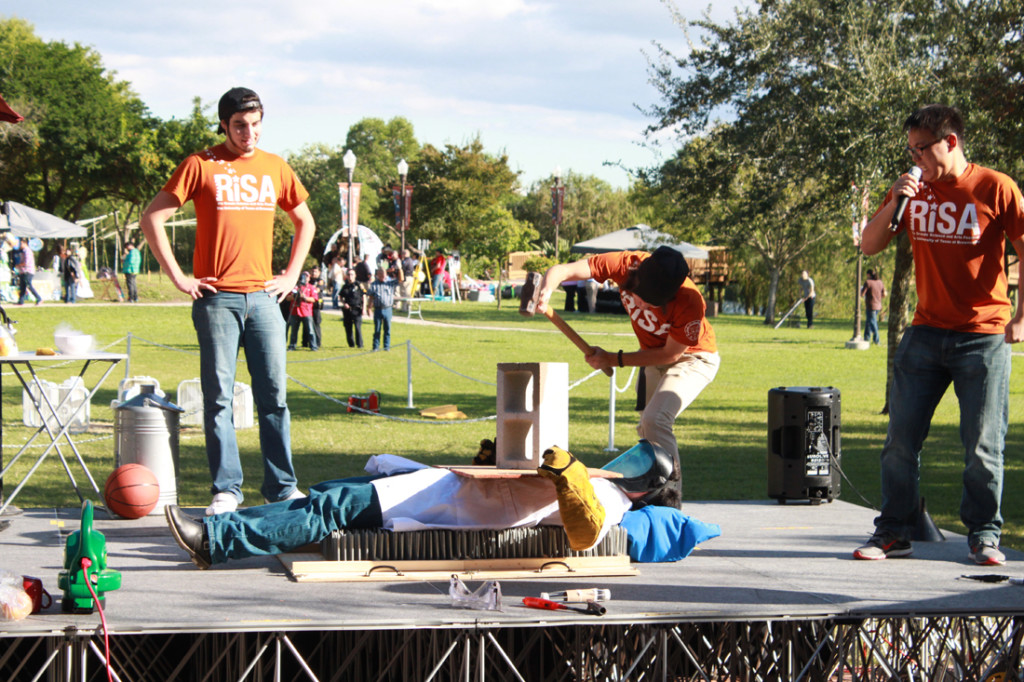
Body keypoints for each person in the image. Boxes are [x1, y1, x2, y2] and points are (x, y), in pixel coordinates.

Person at [854, 104, 1024, 566]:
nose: (917, 158)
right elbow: (869, 244)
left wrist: (1021, 316)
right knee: (899, 441)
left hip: (982, 335)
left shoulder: (995, 186)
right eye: (911, 150)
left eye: (922, 149)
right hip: (925, 332)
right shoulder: (912, 190)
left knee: (982, 446)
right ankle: (894, 530)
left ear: (950, 142)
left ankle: (984, 535)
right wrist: (894, 200)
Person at [140, 86, 316, 516]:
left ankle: (282, 487)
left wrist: (291, 276)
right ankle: (226, 491)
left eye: (255, 124)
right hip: (217, 300)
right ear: (224, 124)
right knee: (218, 397)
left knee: (273, 396)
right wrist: (180, 278)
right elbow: (152, 217)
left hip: (263, 300)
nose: (248, 133)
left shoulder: (276, 167)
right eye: (239, 125)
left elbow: (304, 221)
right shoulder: (200, 164)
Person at [162, 445, 717, 569]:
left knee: (322, 512)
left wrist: (572, 480)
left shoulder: (611, 500)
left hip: (439, 509)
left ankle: (214, 541)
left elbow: (585, 534)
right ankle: (218, 530)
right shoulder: (597, 480)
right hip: (437, 490)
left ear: (645, 486)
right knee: (323, 502)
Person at [537, 246, 720, 506]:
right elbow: (564, 271)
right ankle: (647, 499)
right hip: (652, 355)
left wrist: (613, 359)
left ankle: (671, 505)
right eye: (640, 295)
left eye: (655, 302)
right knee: (647, 432)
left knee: (656, 420)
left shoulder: (691, 301)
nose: (643, 304)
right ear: (635, 275)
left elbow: (670, 355)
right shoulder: (623, 263)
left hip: (693, 357)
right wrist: (545, 291)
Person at [369, 266, 404, 351]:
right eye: (380, 274)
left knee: (387, 329)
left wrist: (399, 269)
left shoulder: (390, 283)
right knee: (377, 329)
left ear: (386, 274)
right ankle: (375, 346)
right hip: (378, 309)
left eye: (383, 274)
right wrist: (369, 308)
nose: (382, 276)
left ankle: (386, 346)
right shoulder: (374, 285)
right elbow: (371, 297)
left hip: (388, 309)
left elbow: (401, 279)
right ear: (377, 274)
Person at [287, 271, 318, 351]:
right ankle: (292, 346)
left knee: (310, 330)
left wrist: (304, 297)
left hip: (306, 312)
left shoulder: (311, 287)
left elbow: (314, 299)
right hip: (295, 311)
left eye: (306, 276)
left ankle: (313, 346)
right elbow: (288, 297)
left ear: (309, 278)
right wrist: (295, 296)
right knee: (294, 330)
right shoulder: (295, 287)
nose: (304, 278)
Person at [339, 268, 364, 348]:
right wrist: (344, 303)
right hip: (347, 310)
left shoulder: (359, 285)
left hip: (357, 309)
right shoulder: (345, 286)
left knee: (357, 328)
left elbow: (364, 296)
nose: (350, 276)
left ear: (355, 275)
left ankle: (360, 344)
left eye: (352, 274)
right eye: (349, 274)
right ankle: (351, 344)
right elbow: (340, 296)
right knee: (348, 328)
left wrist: (364, 308)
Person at [302, 265, 325, 349]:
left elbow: (317, 290)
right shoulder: (308, 280)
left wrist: (310, 289)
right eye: (312, 271)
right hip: (307, 304)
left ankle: (318, 342)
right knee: (306, 323)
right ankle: (305, 342)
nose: (313, 273)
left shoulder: (320, 281)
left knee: (316, 323)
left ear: (319, 272)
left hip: (316, 305)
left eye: (315, 271)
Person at [861, 269, 886, 345]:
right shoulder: (880, 282)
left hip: (871, 305)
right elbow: (884, 294)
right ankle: (866, 337)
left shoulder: (868, 282)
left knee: (872, 322)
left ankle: (877, 340)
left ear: (868, 275)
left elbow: (862, 294)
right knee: (869, 321)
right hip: (878, 306)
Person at [15, 238, 42, 306]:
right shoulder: (23, 251)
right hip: (23, 271)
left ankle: (39, 298)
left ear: (25, 243)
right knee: (22, 286)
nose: (20, 245)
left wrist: (18, 265)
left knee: (28, 285)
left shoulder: (27, 251)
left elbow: (26, 263)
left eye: (21, 243)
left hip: (28, 271)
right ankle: (21, 301)